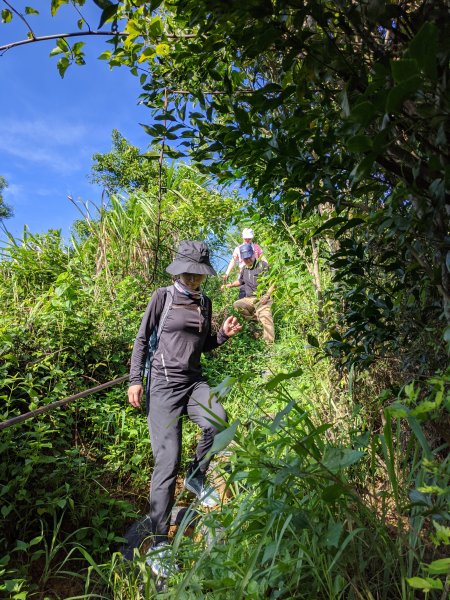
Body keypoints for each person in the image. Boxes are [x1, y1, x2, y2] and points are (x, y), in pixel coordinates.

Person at [128, 240, 241, 577]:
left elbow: (203, 345)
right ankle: (160, 543)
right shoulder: (162, 297)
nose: (194, 281)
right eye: (190, 275)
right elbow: (141, 338)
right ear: (179, 270)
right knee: (167, 460)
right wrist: (135, 380)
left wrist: (221, 334)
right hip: (162, 387)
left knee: (217, 421)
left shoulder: (204, 302)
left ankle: (196, 478)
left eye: (199, 276)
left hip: (193, 382)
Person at [222, 243, 275, 344]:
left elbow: (273, 282)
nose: (247, 260)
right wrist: (229, 285)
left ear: (253, 254)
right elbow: (240, 281)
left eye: (249, 258)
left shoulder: (262, 265)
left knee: (266, 317)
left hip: (262, 298)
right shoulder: (244, 269)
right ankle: (254, 322)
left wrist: (267, 295)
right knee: (237, 304)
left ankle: (269, 346)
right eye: (245, 259)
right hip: (249, 299)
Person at [223, 228, 265, 298]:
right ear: (243, 238)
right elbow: (233, 261)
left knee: (257, 291)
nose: (247, 240)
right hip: (243, 274)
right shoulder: (238, 248)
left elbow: (263, 258)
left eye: (249, 239)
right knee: (243, 292)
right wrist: (227, 273)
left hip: (256, 273)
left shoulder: (256, 247)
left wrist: (267, 267)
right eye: (246, 239)